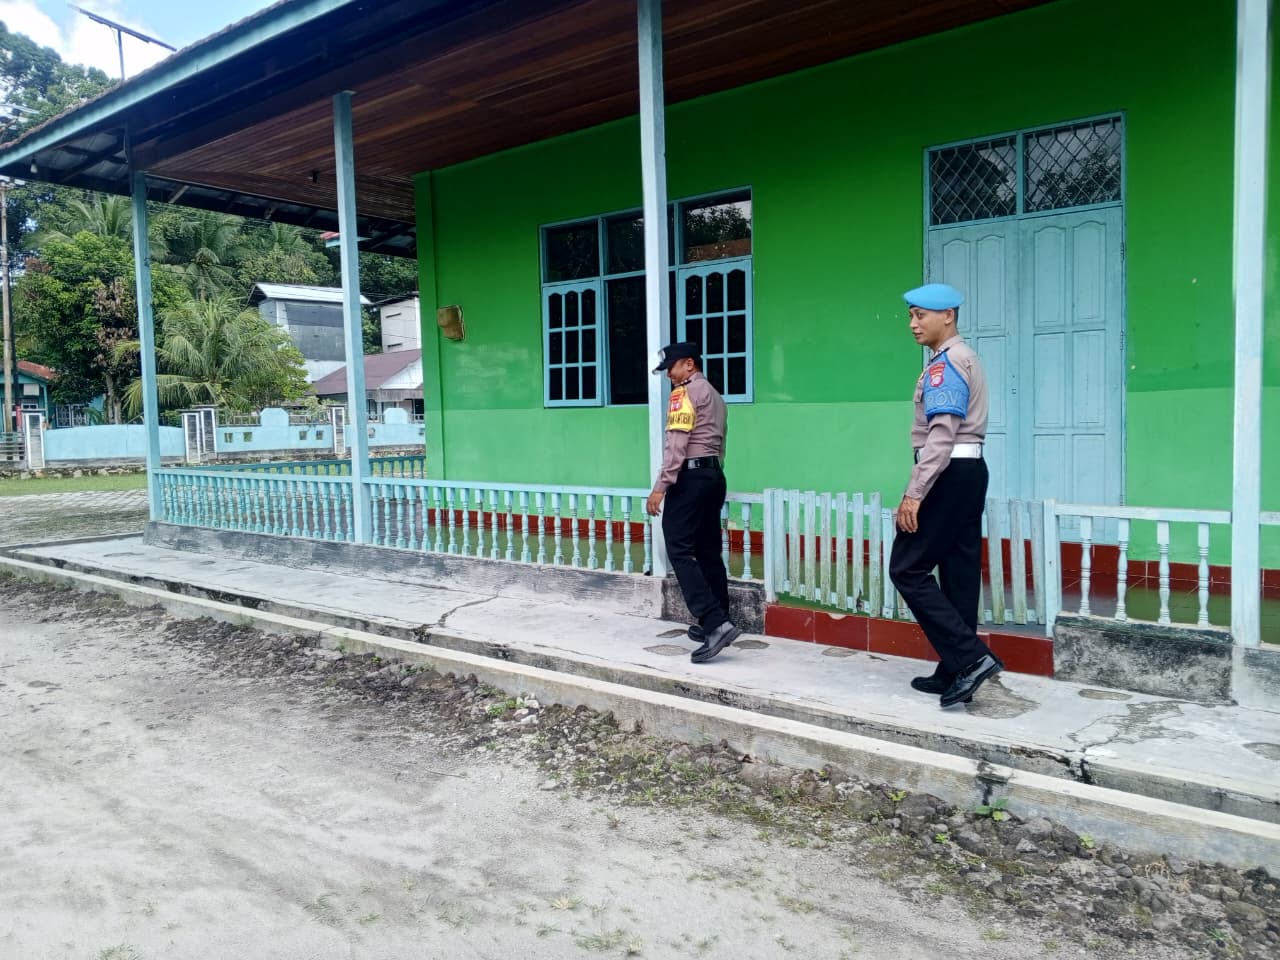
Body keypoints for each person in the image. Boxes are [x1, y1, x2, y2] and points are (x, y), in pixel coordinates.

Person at [888, 283, 1003, 707]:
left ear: (948, 315)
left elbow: (941, 435)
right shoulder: (964, 357)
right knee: (958, 572)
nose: (913, 324)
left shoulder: (946, 364)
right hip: (968, 471)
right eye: (911, 316)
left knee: (906, 568)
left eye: (920, 315)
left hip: (947, 472)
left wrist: (914, 493)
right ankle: (956, 669)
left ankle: (971, 659)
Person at [645, 341, 739, 663]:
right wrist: (710, 474)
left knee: (679, 548)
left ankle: (714, 623)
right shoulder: (715, 395)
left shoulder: (683, 394)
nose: (668, 376)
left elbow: (676, 444)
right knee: (708, 550)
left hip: (690, 478)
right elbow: (721, 443)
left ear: (688, 364)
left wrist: (661, 487)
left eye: (670, 368)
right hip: (713, 476)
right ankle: (722, 616)